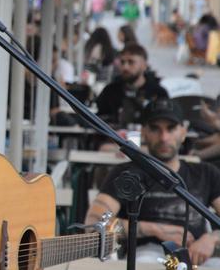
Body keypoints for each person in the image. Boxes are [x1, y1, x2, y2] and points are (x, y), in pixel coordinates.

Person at [85, 99, 220, 267]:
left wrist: (211, 238)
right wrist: (155, 229)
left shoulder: (206, 173)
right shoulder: (126, 174)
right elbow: (94, 224)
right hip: (148, 254)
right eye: (155, 128)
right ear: (143, 133)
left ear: (183, 132)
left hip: (197, 257)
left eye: (171, 128)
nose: (164, 137)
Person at [96, 43, 169, 127]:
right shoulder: (110, 91)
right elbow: (99, 118)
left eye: (131, 62)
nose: (125, 67)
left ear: (144, 65)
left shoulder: (158, 93)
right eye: (122, 62)